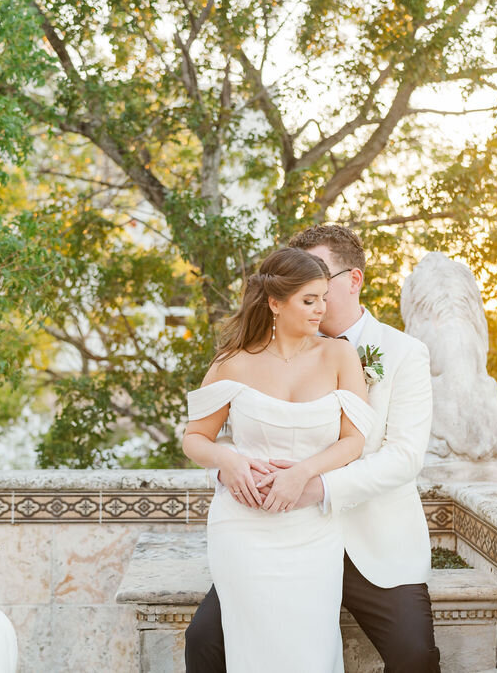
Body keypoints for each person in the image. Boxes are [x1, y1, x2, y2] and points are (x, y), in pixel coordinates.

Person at [186, 226, 440, 672]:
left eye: (322, 280)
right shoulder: (246, 358)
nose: (316, 298)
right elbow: (225, 435)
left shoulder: (404, 353)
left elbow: (404, 456)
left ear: (353, 279)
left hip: (372, 547)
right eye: (305, 287)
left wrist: (317, 485)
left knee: (415, 657)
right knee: (204, 641)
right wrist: (228, 468)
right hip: (272, 530)